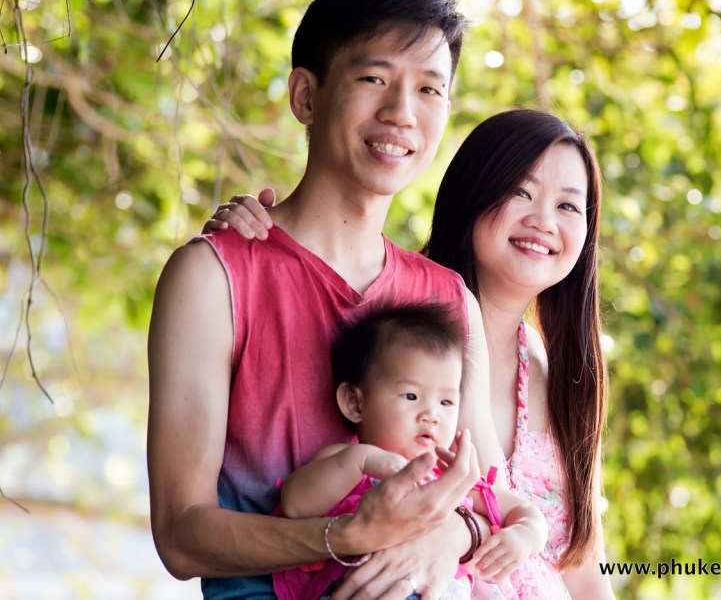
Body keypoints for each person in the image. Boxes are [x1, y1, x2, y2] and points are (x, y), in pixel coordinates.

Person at [147, 0, 510, 600]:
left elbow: (488, 499)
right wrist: (345, 535)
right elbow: (180, 536)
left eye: (429, 88)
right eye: (375, 78)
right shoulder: (213, 277)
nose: (402, 112)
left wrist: (454, 536)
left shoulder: (450, 301)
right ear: (306, 97)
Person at [206, 109, 616, 599]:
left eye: (570, 207)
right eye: (520, 193)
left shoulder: (556, 369)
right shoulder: (390, 326)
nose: (543, 222)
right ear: (472, 194)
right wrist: (251, 231)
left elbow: (584, 568)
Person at [274, 303, 547, 600]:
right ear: (354, 402)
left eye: (446, 402)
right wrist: (361, 460)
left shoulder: (449, 477)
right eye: (411, 396)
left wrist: (525, 536)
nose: (431, 415)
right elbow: (295, 504)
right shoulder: (346, 462)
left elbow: (525, 512)